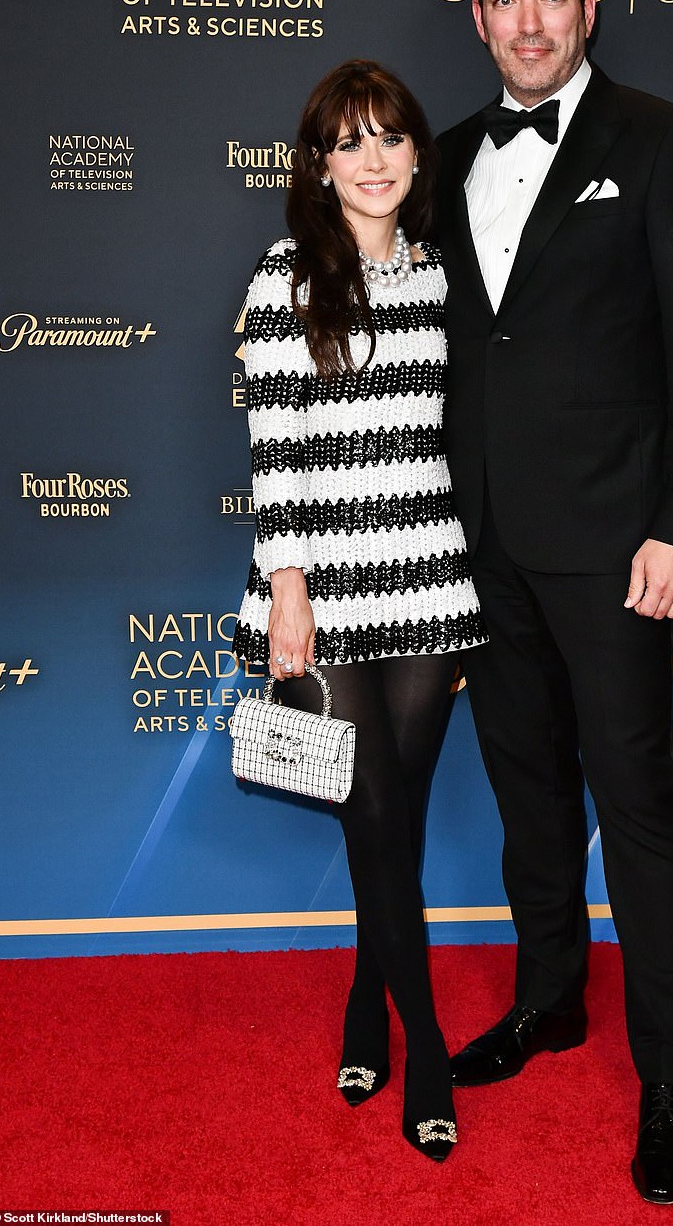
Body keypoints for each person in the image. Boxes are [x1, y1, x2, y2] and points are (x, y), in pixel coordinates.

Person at [435, 0, 673, 1205]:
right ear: (477, 11)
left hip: (621, 546)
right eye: (503, 0)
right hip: (482, 544)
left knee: (637, 806)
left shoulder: (664, 145)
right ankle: (550, 1003)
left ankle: (667, 1075)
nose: (527, 25)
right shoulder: (444, 155)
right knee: (526, 797)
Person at [232, 59, 485, 1162]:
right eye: (349, 141)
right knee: (372, 811)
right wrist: (288, 588)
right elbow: (273, 445)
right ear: (319, 163)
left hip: (426, 581)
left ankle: (359, 999)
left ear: (417, 155)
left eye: (389, 138)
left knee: (396, 817)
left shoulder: (439, 276)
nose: (372, 159)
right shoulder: (285, 273)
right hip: (318, 593)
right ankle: (422, 1043)